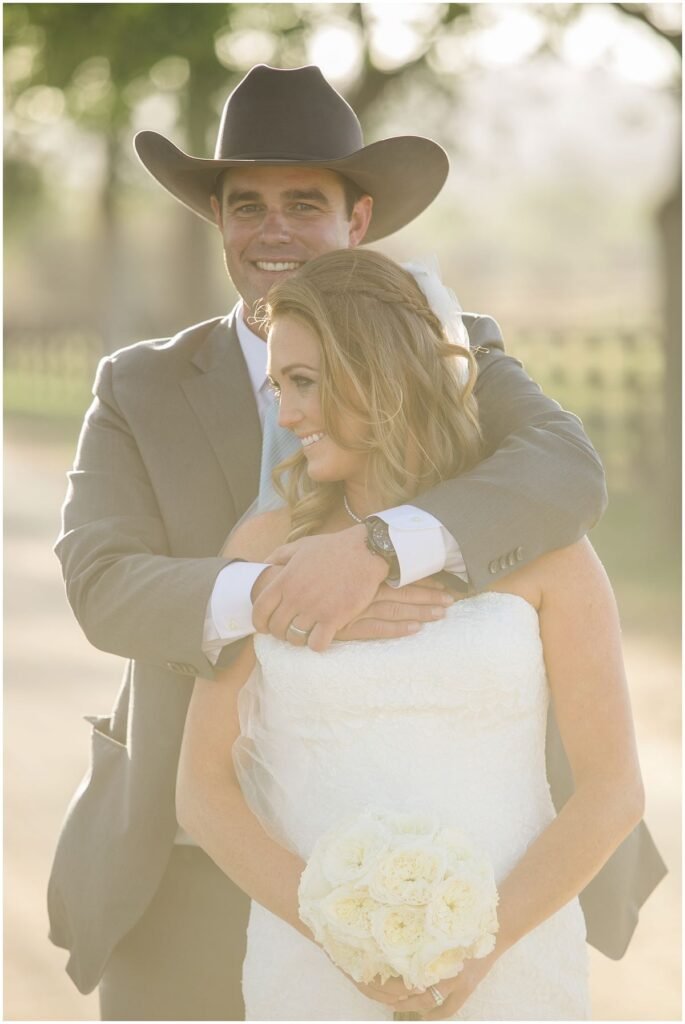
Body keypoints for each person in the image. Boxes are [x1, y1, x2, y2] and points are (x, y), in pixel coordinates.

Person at [47, 64, 664, 1021]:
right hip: (185, 862)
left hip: (472, 876)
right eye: (245, 205)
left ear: (359, 221)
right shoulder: (139, 385)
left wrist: (377, 548)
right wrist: (276, 592)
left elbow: (562, 473)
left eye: (305, 201)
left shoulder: (448, 348)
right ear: (219, 222)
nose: (273, 230)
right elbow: (102, 583)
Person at [176, 247, 645, 1021]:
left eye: (304, 383)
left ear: (380, 375)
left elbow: (611, 790)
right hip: (312, 970)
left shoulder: (550, 549)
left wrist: (482, 948)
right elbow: (202, 790)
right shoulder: (263, 551)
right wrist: (340, 932)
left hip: (515, 965)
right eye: (277, 387)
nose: (285, 416)